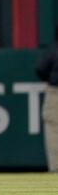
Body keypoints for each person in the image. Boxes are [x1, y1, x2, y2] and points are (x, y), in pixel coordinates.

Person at [35, 26, 58, 173]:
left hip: (55, 90)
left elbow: (40, 68)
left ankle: (56, 168)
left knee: (54, 129)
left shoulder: (55, 49)